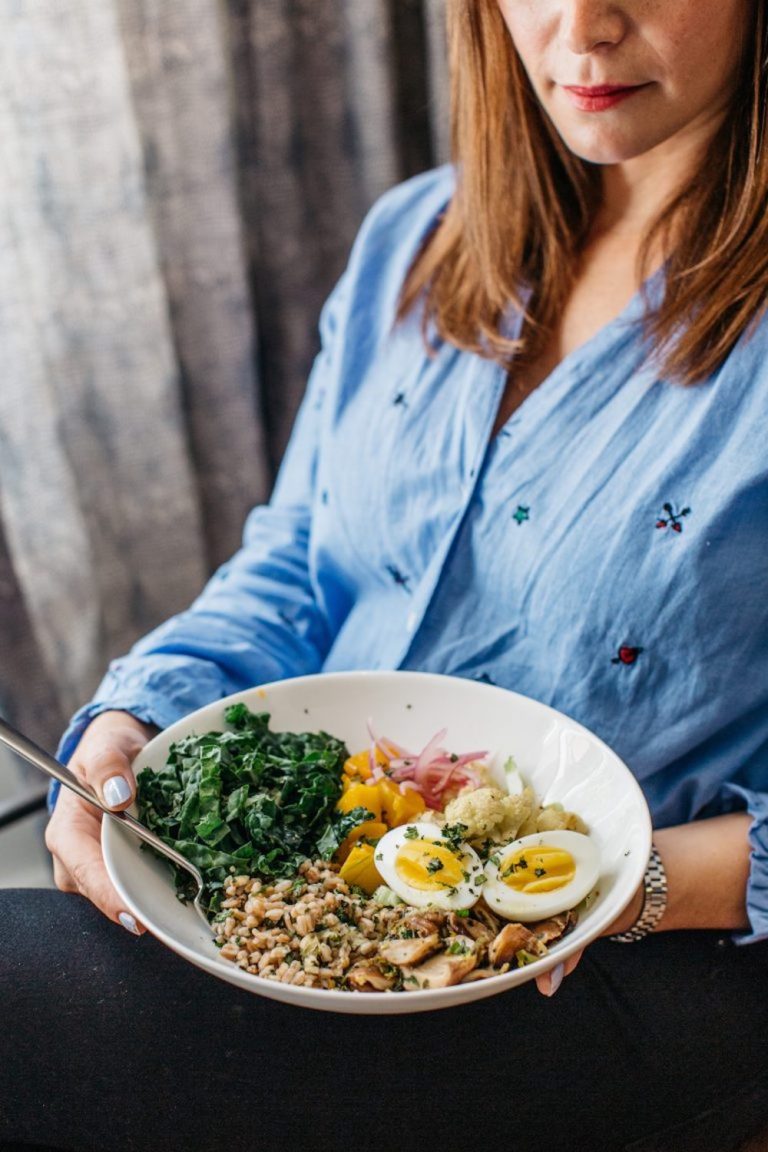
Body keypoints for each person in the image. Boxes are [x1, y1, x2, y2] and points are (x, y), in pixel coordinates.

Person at [2, 2, 767, 1150]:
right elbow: (298, 567)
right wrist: (133, 713)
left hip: (633, 964)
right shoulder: (414, 236)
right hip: (310, 898)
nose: (586, 25)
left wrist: (615, 887)